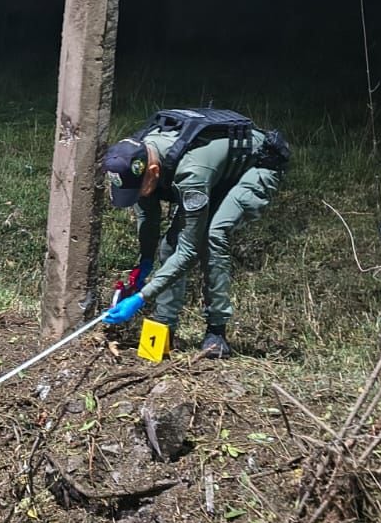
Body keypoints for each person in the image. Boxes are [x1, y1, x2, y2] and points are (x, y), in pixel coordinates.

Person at [99, 110, 288, 357]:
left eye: (138, 191)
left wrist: (141, 298)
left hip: (255, 167)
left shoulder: (191, 174)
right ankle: (164, 328)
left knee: (212, 236)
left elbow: (188, 251)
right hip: (217, 171)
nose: (137, 197)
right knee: (169, 245)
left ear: (154, 172)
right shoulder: (136, 163)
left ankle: (216, 332)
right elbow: (147, 216)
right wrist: (145, 262)